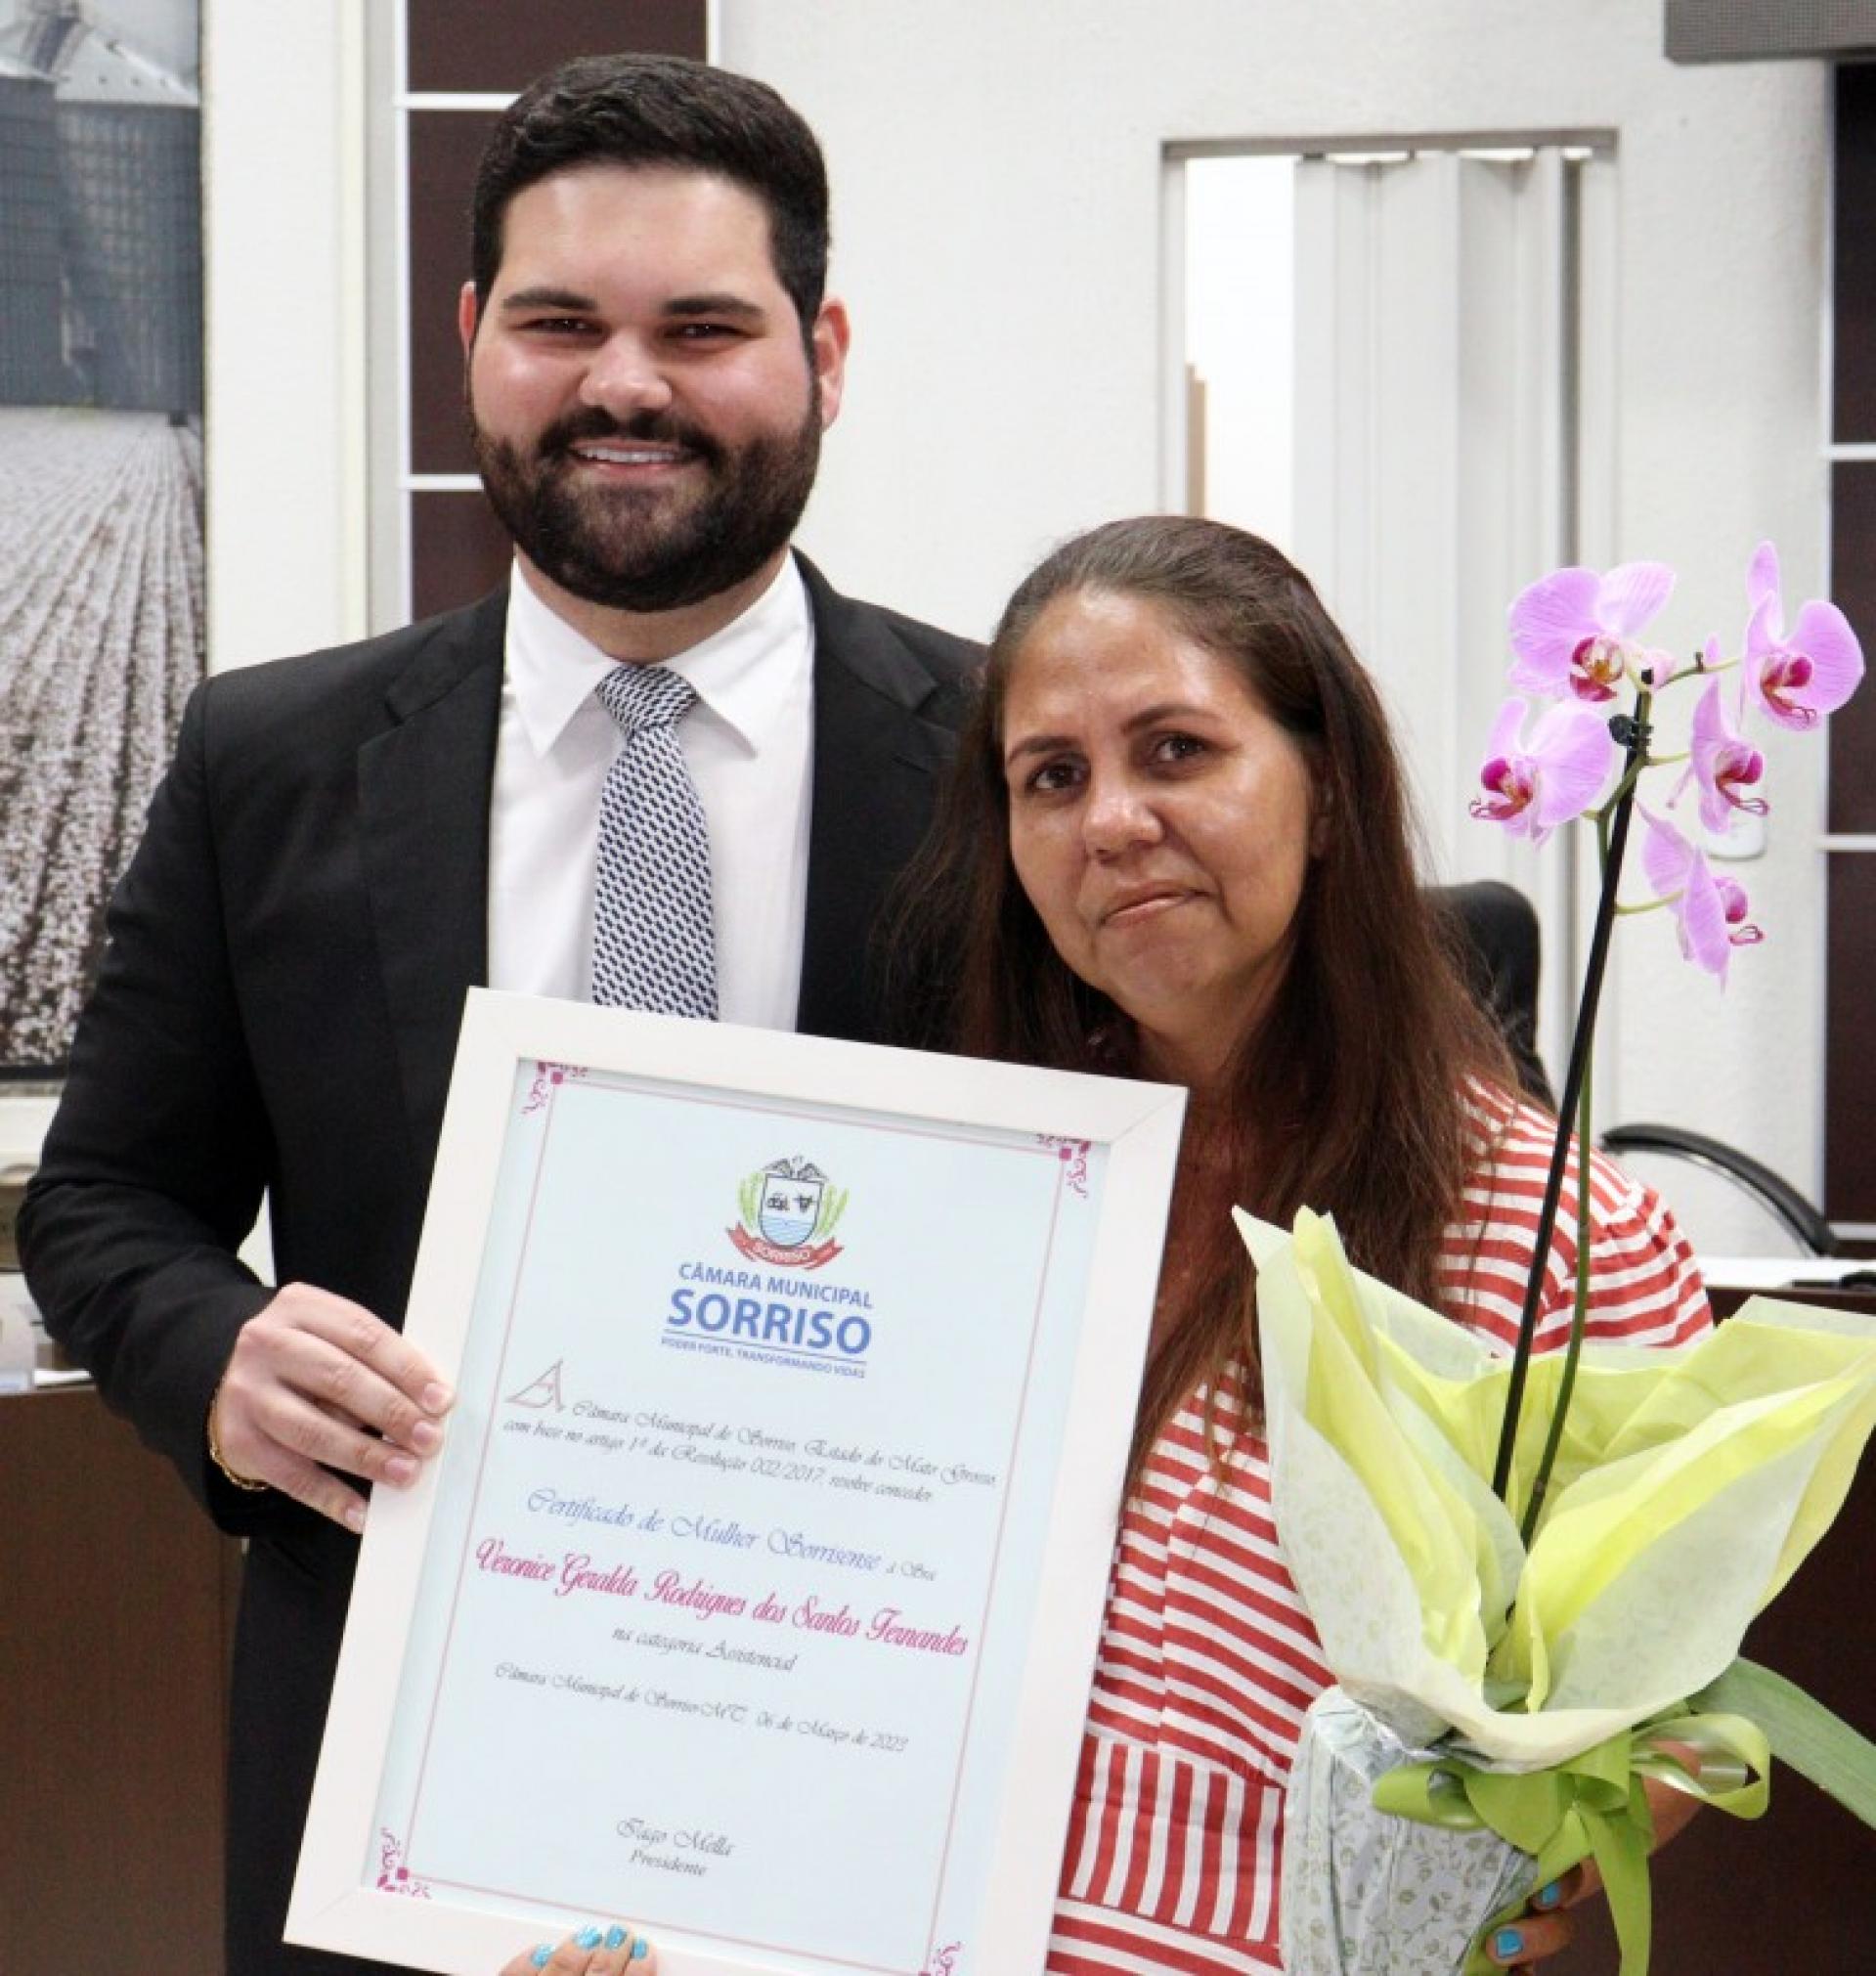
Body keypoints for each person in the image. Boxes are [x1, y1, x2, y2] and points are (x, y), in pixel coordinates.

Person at [19, 53, 974, 1976]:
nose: (626, 386)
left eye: (700, 328)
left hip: (885, 1776)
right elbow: (103, 1202)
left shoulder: (1001, 769)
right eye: (560, 324)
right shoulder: (270, 760)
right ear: (471, 341)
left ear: (824, 352)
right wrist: (219, 1357)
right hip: (395, 1769)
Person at [488, 520, 1710, 1976]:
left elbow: (1667, 1728)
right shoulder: (961, 1200)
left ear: (1326, 789)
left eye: (1177, 750)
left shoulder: (1553, 1238)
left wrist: (1513, 1867)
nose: (1112, 821)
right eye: (1052, 777)